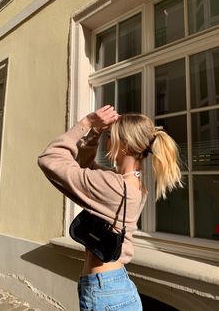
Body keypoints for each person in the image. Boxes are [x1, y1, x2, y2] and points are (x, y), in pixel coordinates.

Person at [38, 105, 182, 310]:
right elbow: (85, 168)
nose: (107, 140)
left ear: (123, 145)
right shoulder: (132, 182)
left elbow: (49, 159)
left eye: (109, 136)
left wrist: (86, 123)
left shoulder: (114, 186)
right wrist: (96, 134)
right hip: (114, 286)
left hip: (104, 292)